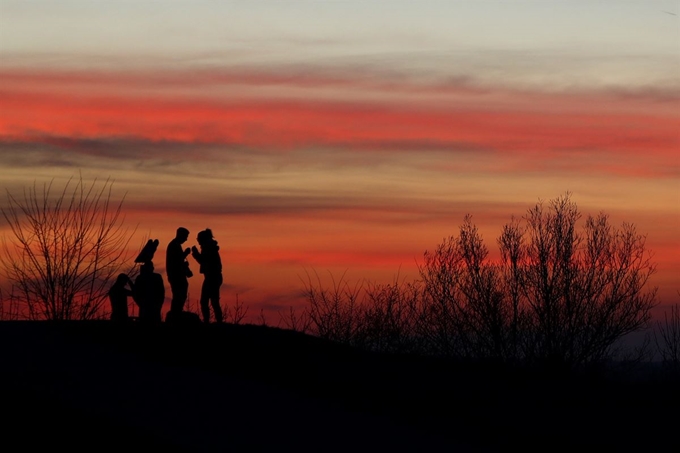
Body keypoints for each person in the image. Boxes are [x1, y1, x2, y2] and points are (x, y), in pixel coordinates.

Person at [191, 229, 223, 323]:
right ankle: (217, 321)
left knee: (206, 301)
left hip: (212, 278)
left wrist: (195, 253)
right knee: (213, 301)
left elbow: (203, 261)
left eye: (198, 238)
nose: (197, 240)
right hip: (213, 277)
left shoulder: (208, 248)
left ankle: (208, 321)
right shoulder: (210, 247)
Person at [166, 227, 192, 315]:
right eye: (185, 236)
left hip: (177, 275)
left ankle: (177, 312)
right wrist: (185, 253)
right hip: (176, 276)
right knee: (178, 295)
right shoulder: (174, 245)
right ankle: (175, 313)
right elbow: (176, 260)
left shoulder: (175, 245)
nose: (186, 239)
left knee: (180, 294)